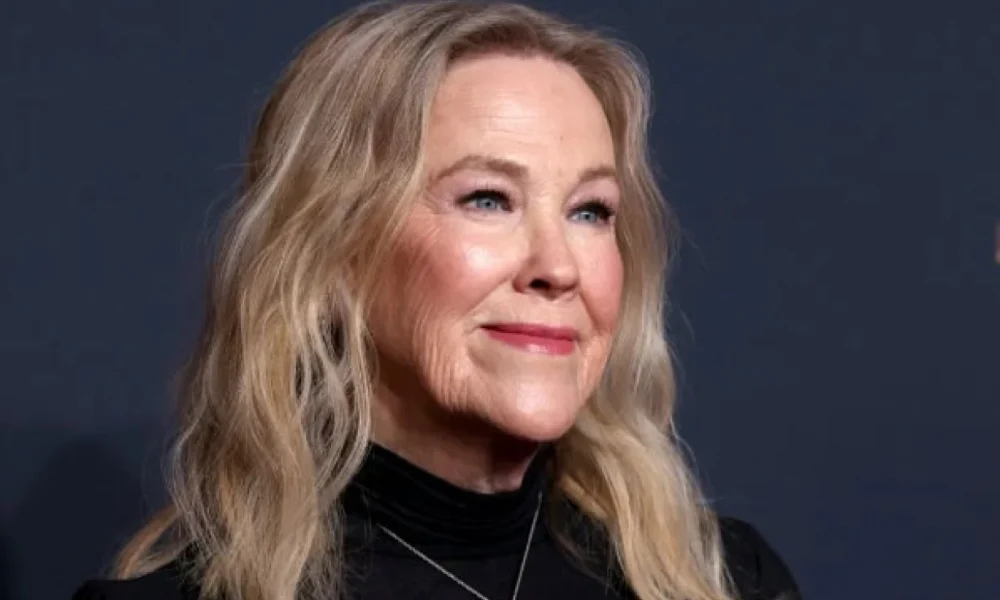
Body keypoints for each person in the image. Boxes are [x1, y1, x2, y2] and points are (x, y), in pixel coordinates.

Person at [73, 2, 801, 599]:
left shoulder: (723, 580)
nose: (558, 267)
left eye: (590, 211)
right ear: (334, 254)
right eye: (488, 199)